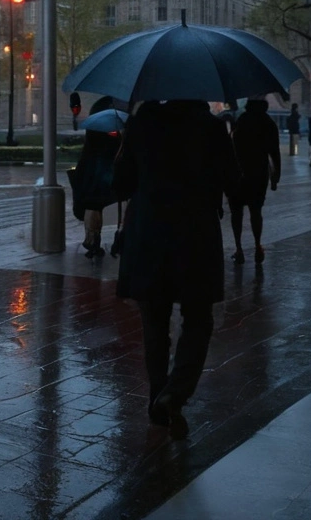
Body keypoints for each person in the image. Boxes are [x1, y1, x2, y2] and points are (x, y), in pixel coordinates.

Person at [113, 99, 238, 439]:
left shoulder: (142, 124)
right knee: (198, 320)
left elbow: (121, 184)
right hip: (195, 236)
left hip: (148, 235)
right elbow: (232, 182)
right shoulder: (211, 127)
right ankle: (175, 392)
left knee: (154, 322)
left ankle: (157, 400)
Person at [228, 98, 281, 265]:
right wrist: (276, 176)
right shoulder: (268, 123)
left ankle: (239, 249)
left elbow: (232, 146)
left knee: (236, 212)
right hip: (258, 173)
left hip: (238, 173)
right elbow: (274, 152)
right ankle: (258, 246)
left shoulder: (242, 121)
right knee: (256, 211)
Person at [70, 127, 120, 259]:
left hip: (90, 175)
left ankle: (92, 239)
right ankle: (93, 240)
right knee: (95, 206)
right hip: (101, 174)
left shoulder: (92, 136)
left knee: (92, 206)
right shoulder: (110, 137)